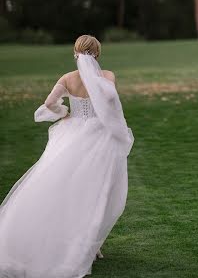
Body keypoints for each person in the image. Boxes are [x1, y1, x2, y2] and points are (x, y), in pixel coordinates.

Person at [0, 34, 134, 278]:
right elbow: (111, 103)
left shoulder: (67, 79)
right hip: (100, 138)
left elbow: (49, 103)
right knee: (96, 191)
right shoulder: (108, 76)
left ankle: (75, 244)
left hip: (71, 135)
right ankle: (89, 246)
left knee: (66, 188)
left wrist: (64, 112)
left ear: (75, 53)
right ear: (97, 54)